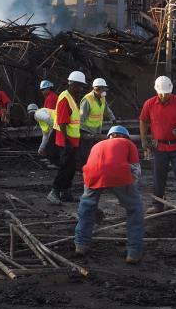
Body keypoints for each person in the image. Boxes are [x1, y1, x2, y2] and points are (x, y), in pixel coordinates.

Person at [74, 125, 145, 264]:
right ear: (125, 136)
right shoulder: (128, 143)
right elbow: (136, 171)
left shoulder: (97, 145)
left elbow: (95, 166)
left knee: (86, 208)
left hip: (90, 174)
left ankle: (80, 245)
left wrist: (93, 207)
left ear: (109, 136)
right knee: (135, 209)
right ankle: (134, 253)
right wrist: (129, 193)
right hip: (118, 174)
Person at [140, 76, 176, 213]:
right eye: (161, 93)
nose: (164, 95)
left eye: (166, 93)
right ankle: (158, 205)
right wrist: (143, 140)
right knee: (158, 175)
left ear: (171, 90)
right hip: (160, 146)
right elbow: (143, 121)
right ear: (156, 91)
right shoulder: (149, 104)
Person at [47, 71, 89, 204]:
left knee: (70, 168)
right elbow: (62, 122)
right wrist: (66, 141)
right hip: (66, 140)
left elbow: (72, 121)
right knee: (65, 167)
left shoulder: (72, 97)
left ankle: (66, 193)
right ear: (73, 85)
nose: (81, 89)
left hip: (72, 140)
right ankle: (54, 192)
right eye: (80, 86)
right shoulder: (65, 99)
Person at [79, 77, 114, 162]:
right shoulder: (87, 100)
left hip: (97, 130)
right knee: (86, 153)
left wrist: (113, 119)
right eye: (103, 89)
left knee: (96, 151)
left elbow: (106, 109)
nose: (104, 92)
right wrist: (79, 131)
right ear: (96, 89)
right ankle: (83, 168)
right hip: (86, 131)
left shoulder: (102, 98)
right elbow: (82, 117)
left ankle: (94, 168)